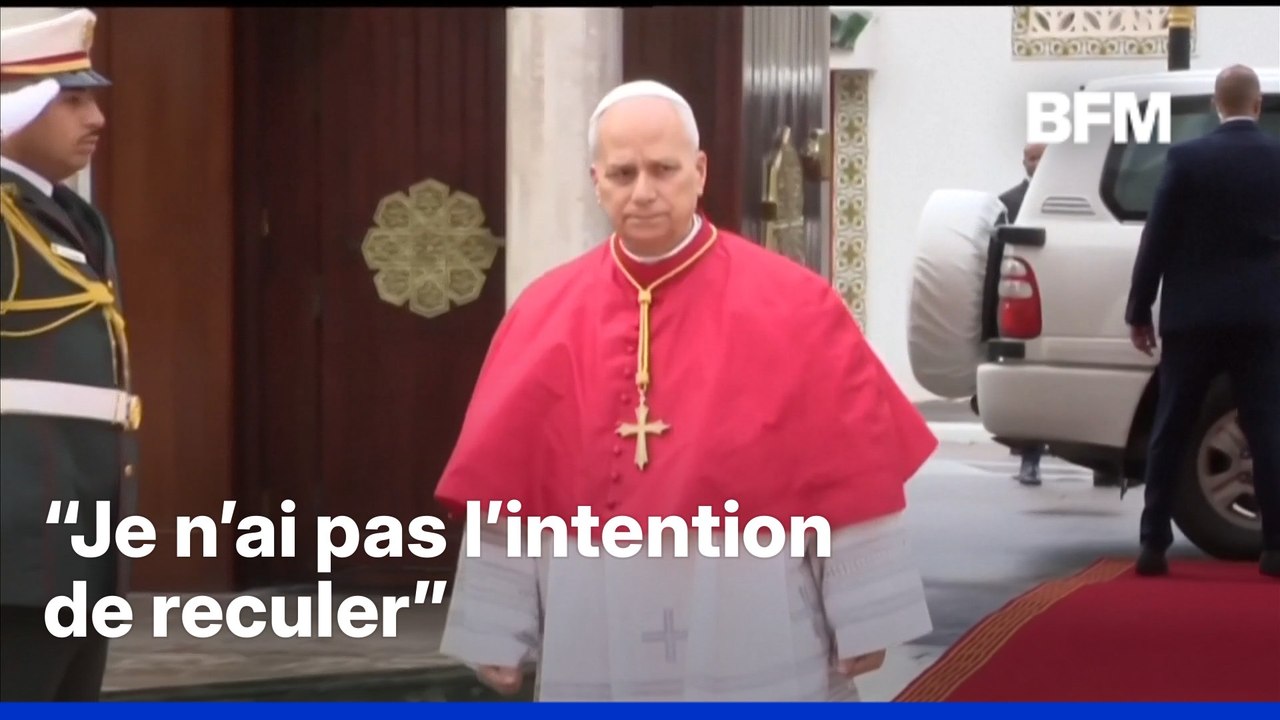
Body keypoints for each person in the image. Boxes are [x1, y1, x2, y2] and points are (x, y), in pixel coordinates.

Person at [433, 80, 938, 701]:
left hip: (751, 605)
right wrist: (497, 625)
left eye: (663, 169)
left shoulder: (796, 306)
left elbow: (849, 472)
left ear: (699, 172)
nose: (643, 191)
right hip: (595, 608)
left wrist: (865, 611)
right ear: (596, 181)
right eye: (623, 173)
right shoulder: (544, 314)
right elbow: (508, 486)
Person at [1, 9, 142, 700]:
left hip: (78, 546)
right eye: (72, 100)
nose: (97, 119)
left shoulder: (74, 217)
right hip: (13, 552)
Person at [1124, 64, 1280, 579]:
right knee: (1266, 427)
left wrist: (1139, 309)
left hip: (1193, 317)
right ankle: (1275, 547)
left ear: (1217, 105)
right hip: (1262, 317)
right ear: (1257, 105)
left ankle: (1153, 545)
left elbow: (1157, 238)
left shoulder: (1186, 159)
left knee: (1172, 425)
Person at [998, 143, 1049, 486]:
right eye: (1031, 158)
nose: (1036, 163)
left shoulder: (1073, 198)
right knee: (1032, 384)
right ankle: (1030, 461)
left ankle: (1104, 469)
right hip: (1024, 301)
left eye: (1041, 157)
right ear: (1023, 162)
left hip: (1062, 295)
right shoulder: (1007, 202)